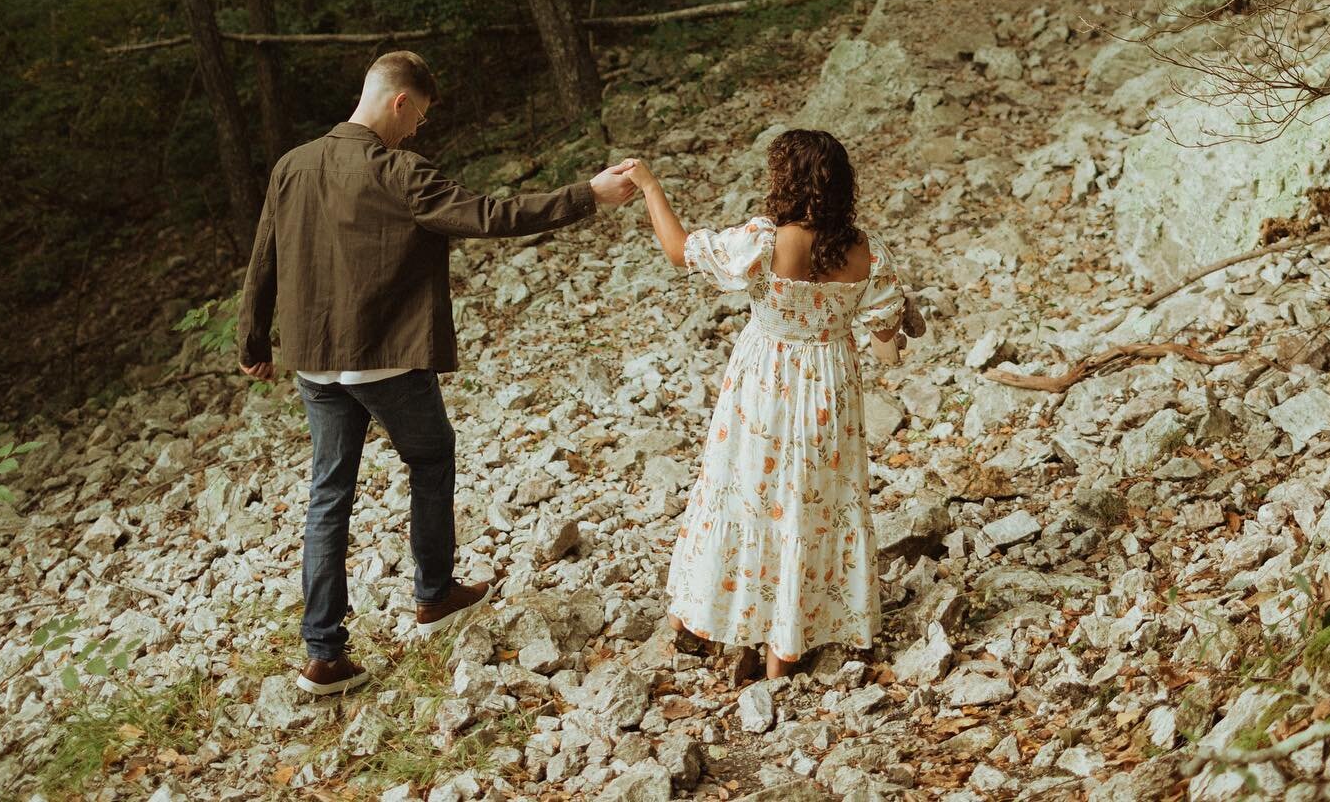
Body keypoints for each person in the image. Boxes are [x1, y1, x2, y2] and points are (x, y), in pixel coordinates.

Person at [236, 49, 637, 697]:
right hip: (385, 359)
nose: (418, 130)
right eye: (418, 117)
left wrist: (252, 338)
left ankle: (324, 655)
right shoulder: (397, 172)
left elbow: (265, 255)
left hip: (315, 361)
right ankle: (434, 593)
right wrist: (587, 196)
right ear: (399, 102)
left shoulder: (293, 165)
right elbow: (490, 217)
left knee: (328, 495)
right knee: (432, 458)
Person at [629, 127, 909, 683]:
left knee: (753, 500)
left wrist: (649, 185)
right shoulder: (867, 252)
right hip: (830, 387)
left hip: (763, 386)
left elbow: (678, 250)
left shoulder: (766, 239)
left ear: (788, 180)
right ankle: (789, 647)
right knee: (814, 508)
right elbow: (888, 355)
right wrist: (898, 322)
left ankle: (745, 630)